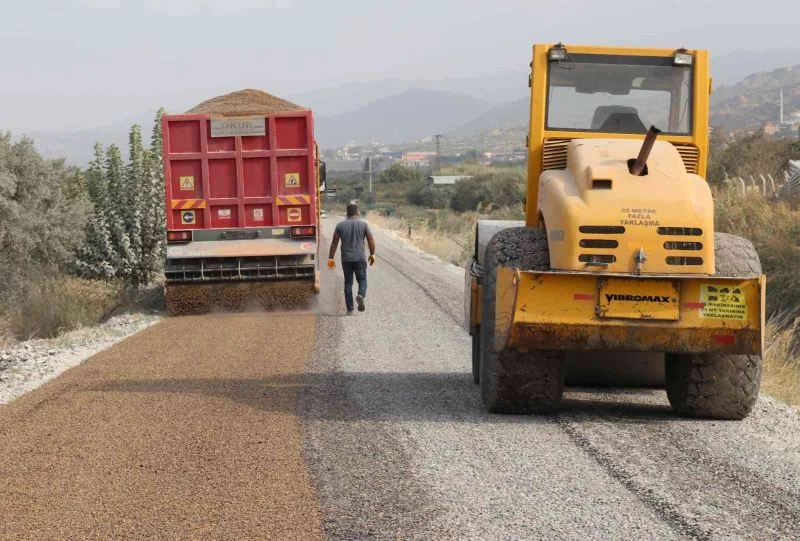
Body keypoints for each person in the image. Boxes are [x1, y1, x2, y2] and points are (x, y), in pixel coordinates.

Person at [327, 202, 376, 315]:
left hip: (346, 259)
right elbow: (371, 240)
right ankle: (361, 295)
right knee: (362, 280)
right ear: (357, 212)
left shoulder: (340, 225)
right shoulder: (364, 225)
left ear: (347, 213)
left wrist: (331, 258)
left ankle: (350, 309)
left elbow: (334, 242)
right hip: (360, 258)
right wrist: (372, 254)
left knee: (348, 283)